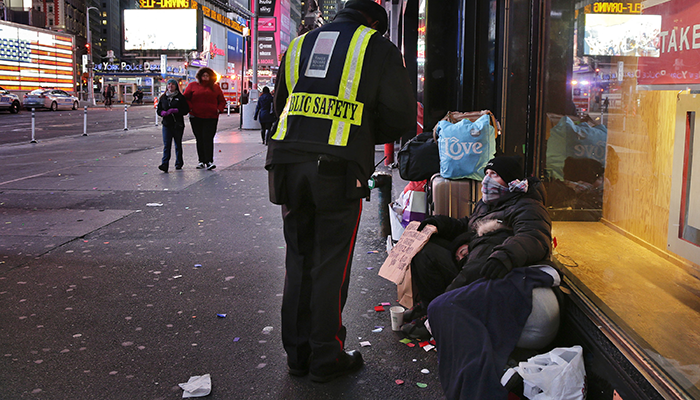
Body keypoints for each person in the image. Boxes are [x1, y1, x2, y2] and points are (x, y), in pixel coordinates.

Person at [265, 0, 416, 383]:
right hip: (335, 168)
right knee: (331, 262)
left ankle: (297, 356)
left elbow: (281, 107)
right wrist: (361, 136)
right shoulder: (378, 47)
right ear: (375, 24)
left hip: (286, 162)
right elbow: (399, 118)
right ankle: (326, 357)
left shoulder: (299, 45)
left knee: (298, 259)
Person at [409, 156, 556, 399]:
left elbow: (534, 236)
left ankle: (437, 317)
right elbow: (469, 225)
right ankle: (432, 312)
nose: (487, 180)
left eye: (494, 175)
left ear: (511, 181)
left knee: (481, 258)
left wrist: (506, 255)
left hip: (489, 270)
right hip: (471, 263)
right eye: (486, 173)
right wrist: (437, 224)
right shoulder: (489, 203)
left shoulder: (527, 205)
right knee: (426, 250)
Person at [184, 67, 226, 170]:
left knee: (208, 138)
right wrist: (191, 108)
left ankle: (209, 160)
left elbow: (222, 101)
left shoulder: (215, 88)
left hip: (211, 117)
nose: (205, 78)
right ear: (200, 76)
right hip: (196, 117)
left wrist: (218, 109)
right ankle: (201, 160)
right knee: (199, 138)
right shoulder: (192, 86)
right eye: (203, 76)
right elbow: (185, 98)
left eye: (207, 76)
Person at [156, 79, 190, 173]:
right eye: (169, 84)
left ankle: (179, 162)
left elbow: (186, 110)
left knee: (177, 144)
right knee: (167, 145)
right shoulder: (163, 98)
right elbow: (159, 109)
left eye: (172, 84)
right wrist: (162, 112)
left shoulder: (180, 97)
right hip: (167, 124)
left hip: (177, 124)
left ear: (176, 86)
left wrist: (177, 111)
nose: (170, 86)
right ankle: (165, 164)